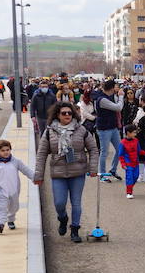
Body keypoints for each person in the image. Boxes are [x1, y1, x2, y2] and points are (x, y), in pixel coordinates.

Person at [34, 102, 99, 243]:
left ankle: (75, 230)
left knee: (76, 203)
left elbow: (93, 149)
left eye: (70, 113)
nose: (67, 115)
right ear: (57, 115)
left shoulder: (81, 130)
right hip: (58, 173)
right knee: (59, 203)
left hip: (78, 172)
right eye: (64, 113)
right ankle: (62, 219)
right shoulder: (49, 131)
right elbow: (41, 154)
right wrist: (38, 175)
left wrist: (93, 168)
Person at [0, 139, 34, 234]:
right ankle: (0, 223)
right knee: (2, 207)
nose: (6, 152)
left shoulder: (15, 161)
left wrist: (35, 178)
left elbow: (26, 170)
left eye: (7, 150)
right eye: (2, 151)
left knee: (14, 207)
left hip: (14, 190)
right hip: (1, 191)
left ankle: (11, 219)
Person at [93, 79, 125, 182]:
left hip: (113, 127)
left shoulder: (110, 96)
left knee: (120, 149)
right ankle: (102, 175)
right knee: (104, 152)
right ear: (111, 88)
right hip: (104, 129)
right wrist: (121, 96)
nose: (117, 88)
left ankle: (113, 170)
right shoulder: (102, 99)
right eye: (115, 87)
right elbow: (118, 107)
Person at [117, 123, 141, 198]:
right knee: (129, 177)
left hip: (136, 163)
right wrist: (123, 164)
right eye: (134, 132)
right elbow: (120, 155)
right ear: (128, 133)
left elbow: (139, 151)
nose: (135, 134)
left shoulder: (136, 140)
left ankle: (130, 186)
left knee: (136, 176)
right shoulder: (123, 143)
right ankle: (129, 192)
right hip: (128, 164)